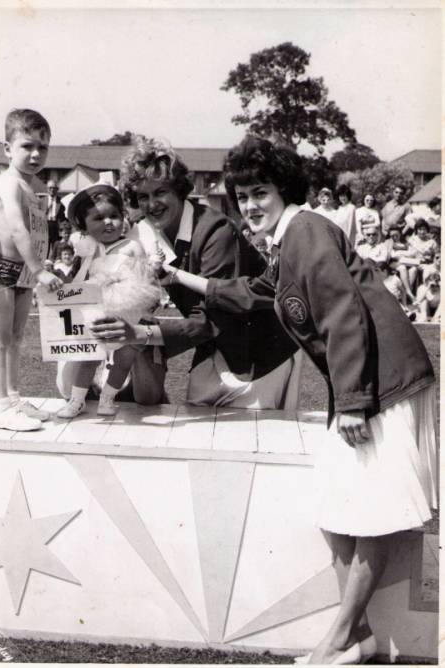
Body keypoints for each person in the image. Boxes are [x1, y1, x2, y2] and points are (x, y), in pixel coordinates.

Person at [164, 136, 437, 665]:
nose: (250, 206)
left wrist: (356, 400)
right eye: (241, 197)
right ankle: (357, 637)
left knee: (369, 509)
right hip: (362, 385)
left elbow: (344, 314)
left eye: (260, 192)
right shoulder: (288, 243)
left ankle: (340, 640)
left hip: (384, 384)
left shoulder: (307, 231)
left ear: (285, 190)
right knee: (338, 508)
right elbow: (250, 293)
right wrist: (178, 277)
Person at [90, 137, 300, 409]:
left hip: (262, 351)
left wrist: (141, 334)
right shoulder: (142, 233)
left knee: (248, 437)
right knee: (196, 415)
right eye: (143, 196)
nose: (152, 204)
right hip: (214, 342)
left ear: (179, 190)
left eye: (160, 192)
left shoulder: (216, 230)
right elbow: (133, 294)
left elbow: (211, 318)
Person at [0, 108, 64, 432]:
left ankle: (13, 398)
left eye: (43, 147)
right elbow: (16, 230)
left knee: (17, 337)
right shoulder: (8, 184)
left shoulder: (32, 188)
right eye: (27, 146)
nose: (36, 154)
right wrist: (39, 271)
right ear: (8, 148)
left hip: (24, 272)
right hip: (2, 269)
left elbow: (36, 232)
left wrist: (41, 263)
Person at [55, 183, 165, 418]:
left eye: (114, 216)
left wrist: (149, 270)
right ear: (84, 225)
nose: (108, 222)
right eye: (98, 218)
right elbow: (78, 283)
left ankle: (108, 397)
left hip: (128, 313)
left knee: (123, 360)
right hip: (97, 313)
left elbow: (146, 280)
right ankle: (77, 400)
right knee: (89, 359)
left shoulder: (132, 246)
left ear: (123, 218)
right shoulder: (88, 251)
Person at [45, 179, 67, 250]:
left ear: (57, 189)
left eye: (54, 188)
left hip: (56, 227)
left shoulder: (62, 202)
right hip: (45, 226)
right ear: (47, 188)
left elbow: (64, 217)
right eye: (50, 188)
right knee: (45, 249)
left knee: (56, 248)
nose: (52, 190)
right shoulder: (41, 201)